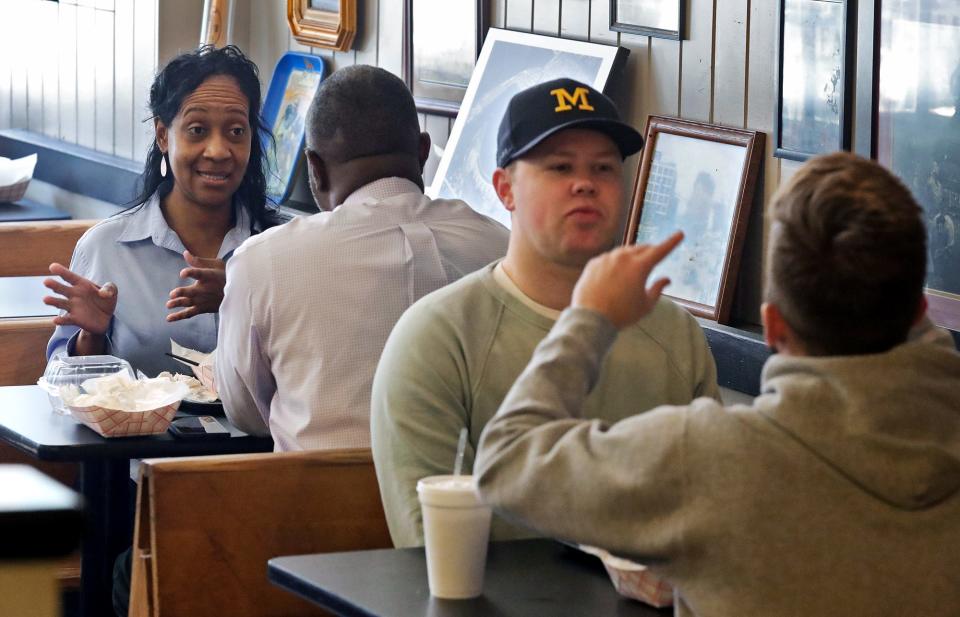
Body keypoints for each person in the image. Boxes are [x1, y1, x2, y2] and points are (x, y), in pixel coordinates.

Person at [474, 152, 960, 616]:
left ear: (772, 328)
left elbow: (505, 461)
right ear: (920, 312)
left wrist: (589, 319)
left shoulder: (709, 461)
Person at [371, 78, 719, 548]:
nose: (585, 184)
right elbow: (428, 546)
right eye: (559, 167)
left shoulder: (675, 334)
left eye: (604, 168)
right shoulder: (436, 338)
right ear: (504, 189)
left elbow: (713, 510)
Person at [214, 65, 509, 451]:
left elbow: (246, 412)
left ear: (314, 169)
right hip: (461, 506)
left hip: (322, 506)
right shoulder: (501, 247)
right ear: (423, 151)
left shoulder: (263, 262)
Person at [44, 45, 280, 378]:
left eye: (236, 131)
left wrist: (243, 298)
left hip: (258, 432)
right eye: (197, 130)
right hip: (140, 431)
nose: (217, 150)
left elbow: (312, 366)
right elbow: (63, 384)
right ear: (163, 135)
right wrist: (92, 335)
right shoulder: (107, 248)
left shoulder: (282, 246)